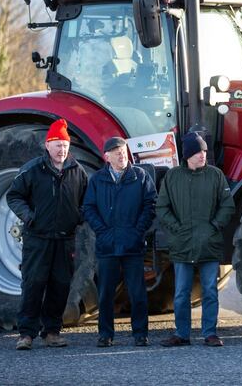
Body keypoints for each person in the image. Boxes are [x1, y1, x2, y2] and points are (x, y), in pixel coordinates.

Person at [7, 118, 88, 350]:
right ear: (47, 145)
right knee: (33, 284)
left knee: (60, 285)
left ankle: (52, 332)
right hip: (37, 238)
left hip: (65, 239)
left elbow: (87, 201)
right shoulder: (33, 170)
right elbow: (14, 196)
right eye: (57, 145)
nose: (61, 150)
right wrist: (29, 216)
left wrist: (77, 217)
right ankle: (26, 334)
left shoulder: (77, 171)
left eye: (65, 145)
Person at [157, 133, 235, 348]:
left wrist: (214, 226)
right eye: (198, 151)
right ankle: (182, 334)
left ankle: (210, 333)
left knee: (210, 290)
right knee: (181, 293)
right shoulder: (172, 177)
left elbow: (228, 205)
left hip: (209, 242)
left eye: (204, 151)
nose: (203, 155)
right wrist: (177, 228)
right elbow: (162, 208)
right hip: (182, 244)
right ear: (188, 155)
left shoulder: (216, 175)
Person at [83, 136, 156, 348]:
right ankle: (105, 334)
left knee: (138, 293)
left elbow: (150, 205)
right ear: (107, 157)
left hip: (133, 245)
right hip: (107, 246)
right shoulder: (97, 180)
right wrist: (102, 231)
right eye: (116, 152)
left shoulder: (140, 176)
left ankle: (140, 334)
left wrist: (137, 231)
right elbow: (88, 208)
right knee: (105, 294)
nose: (121, 154)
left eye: (123, 150)